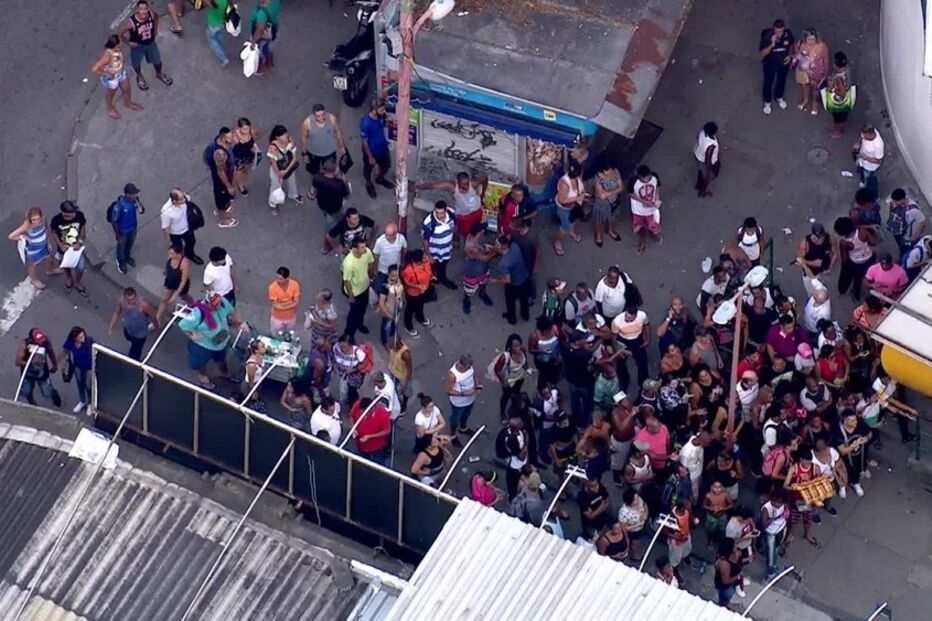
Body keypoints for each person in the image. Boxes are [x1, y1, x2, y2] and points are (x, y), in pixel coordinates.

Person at [177, 293, 242, 389]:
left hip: (221, 341)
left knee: (222, 359)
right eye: (215, 306)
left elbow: (231, 310)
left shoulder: (222, 302)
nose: (218, 307)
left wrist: (240, 322)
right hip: (204, 345)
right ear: (207, 304)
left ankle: (225, 372)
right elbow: (183, 325)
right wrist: (192, 335)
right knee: (201, 363)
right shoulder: (197, 313)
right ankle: (203, 376)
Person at [415, 172, 488, 240]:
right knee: (465, 232)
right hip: (463, 216)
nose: (466, 186)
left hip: (476, 211)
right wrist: (417, 187)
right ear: (458, 183)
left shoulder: (473, 184)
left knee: (477, 227)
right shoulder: (452, 186)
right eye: (463, 184)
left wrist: (482, 195)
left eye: (467, 183)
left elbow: (485, 178)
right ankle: (461, 240)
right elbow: (433, 186)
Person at [118, 1, 171, 92]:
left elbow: (157, 17)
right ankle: (139, 76)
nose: (143, 11)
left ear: (148, 8)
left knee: (157, 61)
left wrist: (155, 29)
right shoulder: (131, 22)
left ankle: (159, 74)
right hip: (138, 46)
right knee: (136, 64)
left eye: (145, 9)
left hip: (150, 43)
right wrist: (128, 42)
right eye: (141, 9)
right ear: (137, 10)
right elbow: (120, 32)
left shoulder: (151, 15)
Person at [302, 103, 348, 199]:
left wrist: (342, 146)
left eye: (323, 115)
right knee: (313, 171)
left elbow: (338, 131)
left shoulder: (332, 119)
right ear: (313, 115)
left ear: (325, 112)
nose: (321, 118)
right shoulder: (307, 123)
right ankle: (313, 186)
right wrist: (304, 153)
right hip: (313, 153)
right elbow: (303, 138)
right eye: (318, 116)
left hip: (329, 151)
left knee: (332, 169)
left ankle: (334, 186)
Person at [91, 35, 143, 120]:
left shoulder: (116, 49)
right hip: (112, 77)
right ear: (116, 45)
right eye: (120, 42)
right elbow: (94, 69)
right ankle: (109, 108)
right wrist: (106, 74)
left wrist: (130, 43)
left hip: (120, 72)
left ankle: (128, 103)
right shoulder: (107, 56)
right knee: (111, 94)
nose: (122, 43)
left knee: (127, 88)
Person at [8, 207, 59, 290]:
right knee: (32, 265)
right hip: (33, 249)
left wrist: (48, 242)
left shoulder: (43, 219)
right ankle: (34, 280)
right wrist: (22, 236)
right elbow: (11, 236)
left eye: (38, 219)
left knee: (49, 258)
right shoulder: (27, 225)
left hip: (43, 245)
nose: (36, 221)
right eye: (34, 219)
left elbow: (45, 230)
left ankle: (50, 270)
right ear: (30, 219)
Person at [490, 235, 532, 325]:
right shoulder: (514, 246)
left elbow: (507, 280)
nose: (495, 246)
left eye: (496, 245)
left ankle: (512, 319)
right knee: (524, 299)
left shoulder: (504, 263)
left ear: (502, 247)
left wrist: (496, 281)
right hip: (525, 278)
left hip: (514, 285)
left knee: (510, 303)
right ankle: (525, 315)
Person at [108, 287, 158, 360]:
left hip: (140, 334)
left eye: (133, 299)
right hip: (128, 330)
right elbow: (116, 313)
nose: (132, 301)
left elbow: (152, 316)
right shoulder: (121, 301)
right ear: (125, 298)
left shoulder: (143, 305)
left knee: (134, 354)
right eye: (129, 300)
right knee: (129, 339)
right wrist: (110, 327)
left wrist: (157, 327)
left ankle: (135, 362)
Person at [50, 201, 88, 297]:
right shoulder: (56, 220)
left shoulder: (79, 215)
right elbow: (54, 232)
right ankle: (69, 278)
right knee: (66, 266)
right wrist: (60, 245)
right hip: (64, 249)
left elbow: (83, 227)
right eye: (71, 213)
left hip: (76, 249)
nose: (74, 215)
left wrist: (80, 241)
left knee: (80, 267)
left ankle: (77, 281)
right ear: (64, 213)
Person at [16, 328, 61, 407]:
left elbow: (51, 352)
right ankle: (32, 403)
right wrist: (31, 363)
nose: (40, 343)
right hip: (28, 374)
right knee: (26, 391)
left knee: (47, 393)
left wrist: (54, 365)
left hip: (42, 373)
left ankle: (54, 395)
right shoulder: (25, 345)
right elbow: (18, 362)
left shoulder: (46, 341)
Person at [313, 159, 351, 253]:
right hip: (334, 209)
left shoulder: (317, 177)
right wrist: (344, 181)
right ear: (335, 169)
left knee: (328, 218)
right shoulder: (338, 185)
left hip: (322, 205)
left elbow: (314, 187)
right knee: (330, 227)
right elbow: (347, 194)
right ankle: (326, 246)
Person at [835, 216, 876, 301]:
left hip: (857, 263)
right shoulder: (862, 231)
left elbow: (845, 259)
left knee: (857, 280)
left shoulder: (844, 243)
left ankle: (856, 296)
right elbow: (873, 242)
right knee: (871, 274)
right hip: (870, 257)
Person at [490, 334, 531, 421]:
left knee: (517, 392)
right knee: (506, 396)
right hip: (509, 380)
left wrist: (526, 368)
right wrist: (503, 381)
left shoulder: (523, 350)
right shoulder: (505, 357)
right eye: (515, 346)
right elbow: (496, 369)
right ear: (510, 347)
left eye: (519, 345)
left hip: (520, 377)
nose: (518, 348)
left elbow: (525, 361)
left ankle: (515, 405)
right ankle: (502, 412)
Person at [204, 127, 239, 228]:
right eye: (230, 137)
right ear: (223, 138)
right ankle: (223, 220)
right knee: (221, 197)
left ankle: (225, 206)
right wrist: (228, 185)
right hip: (222, 180)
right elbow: (221, 172)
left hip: (228, 172)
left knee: (224, 197)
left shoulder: (222, 142)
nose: (233, 139)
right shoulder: (220, 154)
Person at [759, 19, 795, 115]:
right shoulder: (766, 35)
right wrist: (771, 45)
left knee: (781, 81)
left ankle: (779, 96)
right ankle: (767, 101)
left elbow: (791, 44)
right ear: (773, 29)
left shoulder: (788, 34)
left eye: (781, 31)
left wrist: (790, 55)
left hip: (783, 65)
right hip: (769, 65)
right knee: (768, 83)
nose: (779, 34)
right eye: (777, 31)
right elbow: (761, 54)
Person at [611, 305, 651, 392]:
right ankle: (624, 382)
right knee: (621, 363)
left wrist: (648, 338)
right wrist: (617, 350)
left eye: (629, 318)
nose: (626, 318)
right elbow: (614, 337)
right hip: (623, 341)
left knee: (642, 362)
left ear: (635, 316)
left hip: (637, 340)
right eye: (626, 315)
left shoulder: (642, 315)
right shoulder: (617, 321)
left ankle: (644, 384)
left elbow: (646, 324)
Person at [341, 237, 375, 337]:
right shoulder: (349, 263)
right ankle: (348, 333)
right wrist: (351, 296)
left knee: (362, 309)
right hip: (355, 292)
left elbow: (371, 262)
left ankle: (360, 324)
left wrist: (371, 274)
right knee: (353, 313)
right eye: (362, 247)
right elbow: (346, 281)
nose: (364, 249)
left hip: (365, 287)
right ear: (355, 248)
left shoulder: (366, 252)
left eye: (364, 246)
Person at [108, 183, 145, 274]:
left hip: (133, 228)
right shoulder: (120, 205)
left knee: (129, 244)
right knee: (121, 246)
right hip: (123, 231)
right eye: (133, 193)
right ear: (127, 194)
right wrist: (118, 235)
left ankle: (127, 257)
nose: (135, 195)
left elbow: (142, 211)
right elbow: (114, 221)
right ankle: (121, 262)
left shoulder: (134, 201)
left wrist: (139, 203)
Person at [460, 222, 496, 314]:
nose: (483, 231)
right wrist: (496, 251)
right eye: (481, 231)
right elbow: (485, 258)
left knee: (484, 281)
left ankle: (482, 293)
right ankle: (466, 301)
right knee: (470, 288)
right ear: (477, 233)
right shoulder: (473, 248)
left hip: (482, 267)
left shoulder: (472, 237)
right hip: (474, 270)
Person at [360, 99, 393, 198]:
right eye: (382, 109)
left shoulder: (381, 116)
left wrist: (389, 122)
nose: (384, 111)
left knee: (386, 166)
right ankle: (369, 184)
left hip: (383, 147)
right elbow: (364, 141)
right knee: (368, 170)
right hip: (371, 151)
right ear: (374, 110)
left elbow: (385, 125)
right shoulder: (366, 123)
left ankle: (380, 179)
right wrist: (370, 156)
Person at [267, 125, 303, 214]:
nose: (286, 136)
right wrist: (279, 173)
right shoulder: (273, 146)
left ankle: (293, 195)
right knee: (275, 186)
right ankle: (273, 204)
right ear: (277, 137)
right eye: (283, 135)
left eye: (285, 133)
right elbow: (273, 162)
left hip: (288, 167)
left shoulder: (290, 141)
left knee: (292, 180)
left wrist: (286, 170)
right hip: (277, 170)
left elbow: (294, 157)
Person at [792, 28, 828, 115]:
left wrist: (826, 72)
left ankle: (814, 103)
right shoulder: (800, 43)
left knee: (815, 87)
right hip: (803, 69)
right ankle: (806, 99)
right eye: (809, 39)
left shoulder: (822, 46)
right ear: (805, 38)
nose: (811, 41)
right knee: (804, 85)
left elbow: (826, 59)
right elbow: (796, 51)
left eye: (813, 39)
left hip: (816, 70)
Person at [160, 188, 202, 264]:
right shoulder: (167, 212)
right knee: (177, 249)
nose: (184, 200)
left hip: (187, 228)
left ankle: (190, 255)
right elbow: (166, 227)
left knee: (191, 242)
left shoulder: (185, 199)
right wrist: (168, 241)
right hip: (175, 233)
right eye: (181, 199)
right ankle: (176, 263)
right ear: (174, 201)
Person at [422, 201, 457, 290]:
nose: (439, 215)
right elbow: (425, 241)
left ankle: (442, 278)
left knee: (442, 266)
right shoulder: (429, 223)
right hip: (434, 251)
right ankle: (429, 284)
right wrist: (429, 256)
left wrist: (456, 239)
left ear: (446, 211)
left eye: (441, 213)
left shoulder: (452, 214)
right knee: (430, 269)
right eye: (437, 212)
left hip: (446, 250)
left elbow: (455, 227)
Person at [627, 164, 661, 254]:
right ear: (639, 177)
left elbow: (657, 187)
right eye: (644, 178)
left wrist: (657, 198)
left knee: (653, 223)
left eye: (648, 177)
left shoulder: (654, 177)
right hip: (638, 210)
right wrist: (643, 201)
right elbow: (629, 193)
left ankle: (653, 233)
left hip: (652, 208)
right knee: (639, 226)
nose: (646, 180)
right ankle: (642, 242)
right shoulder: (633, 181)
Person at [446, 354, 481, 440]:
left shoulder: (470, 367)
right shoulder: (453, 375)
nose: (469, 368)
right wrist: (464, 393)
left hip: (470, 399)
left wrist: (477, 386)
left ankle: (463, 428)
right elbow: (448, 391)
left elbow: (475, 375)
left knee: (466, 414)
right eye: (467, 367)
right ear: (461, 365)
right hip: (458, 403)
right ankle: (452, 435)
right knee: (455, 418)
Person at [400, 250, 433, 338]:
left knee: (421, 305)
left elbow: (428, 270)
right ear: (418, 261)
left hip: (424, 289)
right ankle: (408, 325)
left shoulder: (425, 262)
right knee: (410, 309)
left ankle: (420, 317)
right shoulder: (408, 270)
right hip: (413, 293)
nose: (426, 257)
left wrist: (431, 276)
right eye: (423, 256)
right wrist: (417, 286)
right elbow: (406, 282)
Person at [553, 163, 585, 255]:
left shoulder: (578, 177)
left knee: (573, 220)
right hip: (564, 208)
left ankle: (571, 231)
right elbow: (562, 200)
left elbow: (580, 187)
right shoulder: (564, 184)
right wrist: (577, 198)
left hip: (575, 206)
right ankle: (557, 241)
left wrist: (582, 194)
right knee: (565, 227)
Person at [349, 397, 391, 464]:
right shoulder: (357, 405)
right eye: (361, 411)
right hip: (361, 445)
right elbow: (351, 416)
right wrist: (353, 428)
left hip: (377, 447)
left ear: (371, 409)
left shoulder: (382, 413)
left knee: (378, 466)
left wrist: (369, 436)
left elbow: (387, 431)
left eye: (364, 412)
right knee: (362, 465)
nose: (362, 414)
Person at [59, 326, 91, 413]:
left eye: (83, 335)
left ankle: (90, 403)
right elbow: (65, 351)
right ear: (74, 338)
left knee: (88, 386)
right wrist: (56, 363)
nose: (83, 338)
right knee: (80, 384)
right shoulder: (71, 343)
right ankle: (82, 401)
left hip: (88, 369)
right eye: (80, 337)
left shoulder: (89, 342)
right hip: (77, 367)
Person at [592, 160, 623, 247]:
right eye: (607, 171)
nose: (609, 172)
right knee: (598, 218)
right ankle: (598, 234)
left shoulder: (616, 172)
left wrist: (609, 193)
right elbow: (601, 196)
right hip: (601, 203)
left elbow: (621, 187)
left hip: (614, 200)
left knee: (611, 217)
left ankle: (610, 230)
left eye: (610, 170)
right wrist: (615, 191)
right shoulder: (597, 178)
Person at [332, 333, 367, 405]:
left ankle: (353, 404)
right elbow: (333, 356)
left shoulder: (358, 352)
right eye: (341, 346)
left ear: (351, 345)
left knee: (352, 392)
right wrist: (334, 366)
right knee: (343, 389)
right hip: (342, 375)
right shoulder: (336, 347)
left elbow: (364, 363)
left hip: (353, 377)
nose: (342, 349)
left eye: (345, 347)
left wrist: (354, 369)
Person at [824, 51, 853, 138]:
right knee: (841, 117)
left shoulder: (838, 78)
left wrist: (832, 89)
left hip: (839, 103)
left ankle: (838, 132)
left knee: (838, 119)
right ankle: (839, 130)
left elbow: (842, 93)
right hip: (846, 99)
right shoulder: (846, 70)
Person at [372, 223, 408, 291]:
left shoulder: (401, 238)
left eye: (389, 235)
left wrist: (403, 261)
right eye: (386, 234)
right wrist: (375, 268)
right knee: (379, 287)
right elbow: (376, 255)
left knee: (396, 289)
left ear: (395, 234)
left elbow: (404, 249)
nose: (386, 236)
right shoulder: (380, 241)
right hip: (383, 270)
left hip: (395, 269)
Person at [501, 416, 529, 500]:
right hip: (515, 465)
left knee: (522, 479)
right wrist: (526, 445)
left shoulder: (520, 433)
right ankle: (512, 498)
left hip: (522, 463)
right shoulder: (511, 439)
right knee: (513, 483)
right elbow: (521, 456)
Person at [854, 124, 884, 199]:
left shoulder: (878, 145)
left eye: (865, 136)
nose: (863, 137)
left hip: (870, 166)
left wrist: (865, 158)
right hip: (861, 160)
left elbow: (878, 160)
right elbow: (860, 137)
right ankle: (863, 182)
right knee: (860, 171)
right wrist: (858, 142)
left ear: (871, 134)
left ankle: (875, 197)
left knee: (870, 181)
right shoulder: (865, 134)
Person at [230, 118, 259, 196]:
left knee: (245, 171)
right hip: (238, 157)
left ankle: (241, 184)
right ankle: (234, 188)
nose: (247, 130)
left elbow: (257, 134)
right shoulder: (235, 136)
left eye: (248, 128)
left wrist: (254, 145)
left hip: (248, 155)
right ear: (239, 128)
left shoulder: (251, 131)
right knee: (237, 173)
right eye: (244, 129)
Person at [377, 264, 404, 347]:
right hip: (389, 310)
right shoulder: (385, 287)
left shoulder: (398, 281)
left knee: (394, 323)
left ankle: (392, 334)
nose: (395, 278)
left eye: (396, 276)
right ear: (388, 274)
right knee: (385, 326)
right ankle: (384, 341)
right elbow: (381, 303)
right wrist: (389, 315)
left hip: (397, 308)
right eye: (392, 276)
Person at [248, 0, 278, 75]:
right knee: (269, 47)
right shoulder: (276, 2)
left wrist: (253, 41)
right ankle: (270, 63)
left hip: (262, 36)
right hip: (271, 31)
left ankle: (261, 68)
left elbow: (260, 30)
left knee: (260, 51)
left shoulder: (261, 13)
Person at [268, 266, 300, 333]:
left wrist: (282, 305)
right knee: (276, 335)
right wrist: (290, 302)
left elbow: (296, 302)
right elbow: (276, 305)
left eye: (280, 279)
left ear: (287, 278)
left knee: (290, 335)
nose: (277, 281)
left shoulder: (295, 285)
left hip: (291, 317)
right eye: (277, 278)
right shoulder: (272, 287)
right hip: (277, 318)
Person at [714, 539, 744, 608]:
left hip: (730, 581)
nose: (736, 546)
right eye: (734, 546)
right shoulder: (724, 564)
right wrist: (737, 576)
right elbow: (725, 581)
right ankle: (723, 606)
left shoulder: (728, 555)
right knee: (725, 598)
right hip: (725, 587)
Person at [704, 481, 735, 546]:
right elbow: (704, 505)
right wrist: (711, 508)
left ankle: (723, 542)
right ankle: (710, 540)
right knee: (711, 530)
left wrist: (723, 508)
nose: (717, 489)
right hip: (711, 516)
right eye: (715, 487)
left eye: (719, 487)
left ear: (722, 487)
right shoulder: (708, 495)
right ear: (712, 487)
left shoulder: (725, 495)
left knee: (723, 530)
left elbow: (732, 504)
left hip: (722, 515)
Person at [694, 121, 720, 198]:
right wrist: (708, 173)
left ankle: (699, 186)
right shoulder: (711, 146)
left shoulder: (702, 132)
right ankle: (702, 192)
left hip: (698, 154)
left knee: (701, 174)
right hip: (705, 160)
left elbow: (697, 137)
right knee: (705, 178)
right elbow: (708, 160)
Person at [242, 339, 267, 409]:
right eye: (262, 346)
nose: (265, 347)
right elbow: (250, 380)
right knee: (250, 400)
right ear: (256, 351)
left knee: (257, 396)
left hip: (258, 382)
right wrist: (253, 391)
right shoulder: (252, 365)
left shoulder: (260, 356)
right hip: (250, 386)